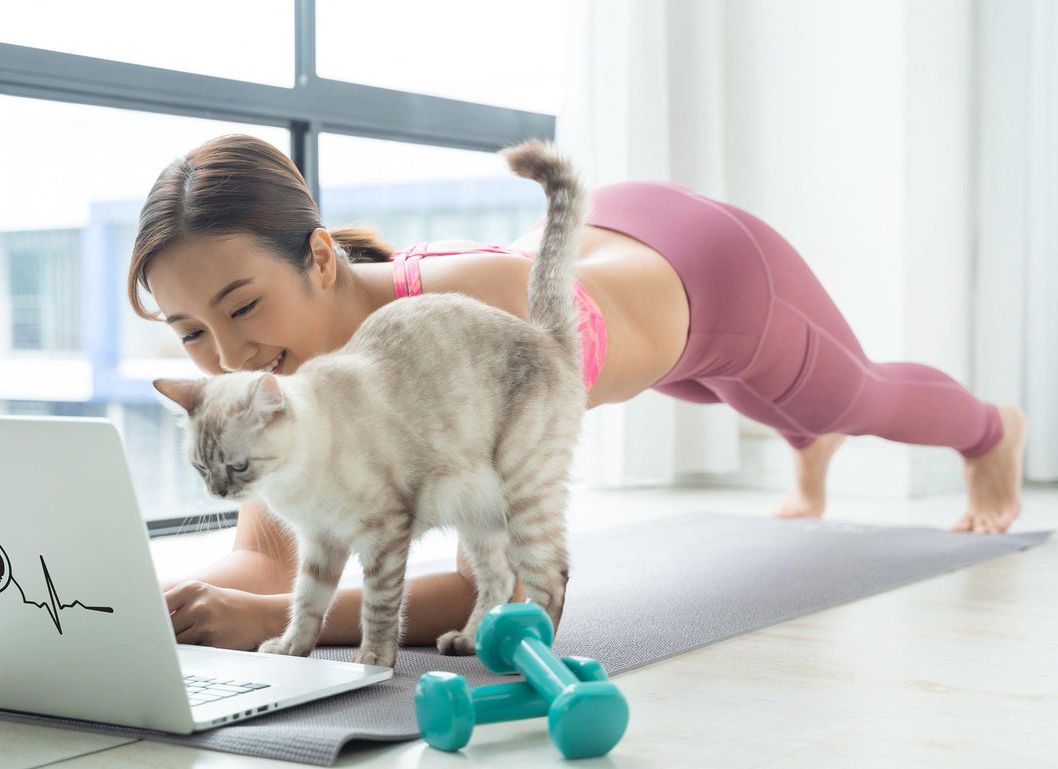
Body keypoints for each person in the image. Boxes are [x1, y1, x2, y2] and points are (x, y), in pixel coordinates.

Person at [130, 134, 1028, 651]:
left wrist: (279, 627)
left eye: (241, 305)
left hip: (716, 281)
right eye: (191, 332)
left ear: (320, 256)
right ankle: (802, 439)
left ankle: (993, 433)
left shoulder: (450, 324)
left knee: (850, 399)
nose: (228, 352)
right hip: (612, 261)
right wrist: (141, 608)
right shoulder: (285, 395)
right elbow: (266, 561)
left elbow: (525, 578)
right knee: (741, 403)